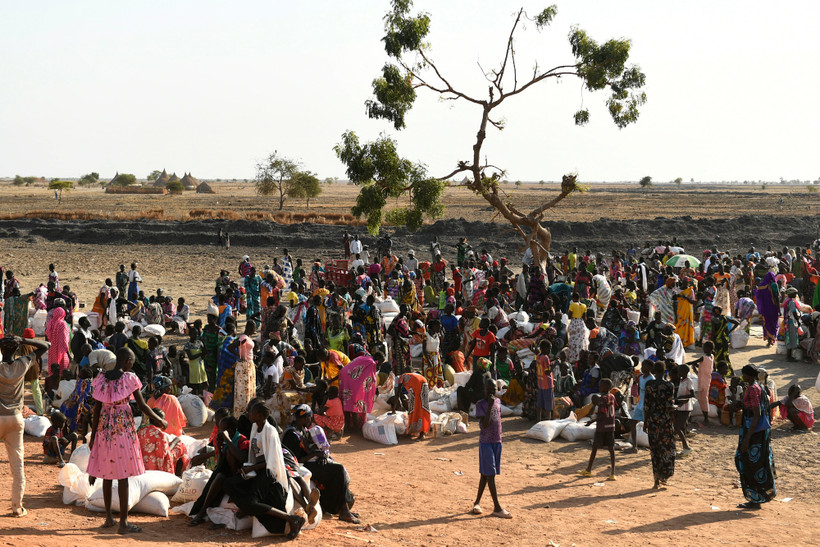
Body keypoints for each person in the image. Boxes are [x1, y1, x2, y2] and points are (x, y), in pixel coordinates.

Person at [88, 347, 167, 534]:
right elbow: (141, 405)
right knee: (123, 477)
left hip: (104, 429)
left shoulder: (101, 378)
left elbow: (97, 409)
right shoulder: (129, 378)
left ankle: (109, 518)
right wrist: (159, 420)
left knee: (107, 475)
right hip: (122, 429)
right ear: (127, 361)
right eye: (131, 361)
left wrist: (93, 435)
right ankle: (123, 523)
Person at [223, 403, 305, 538]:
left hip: (268, 472)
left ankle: (291, 519)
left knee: (251, 501)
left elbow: (272, 461)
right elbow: (254, 454)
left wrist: (252, 468)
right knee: (229, 483)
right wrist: (247, 468)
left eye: (252, 413)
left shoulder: (270, 431)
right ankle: (247, 507)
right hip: (257, 469)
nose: (249, 415)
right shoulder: (255, 427)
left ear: (260, 416)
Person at [282, 404, 359, 523]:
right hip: (299, 467)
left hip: (308, 463)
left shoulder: (301, 429)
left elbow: (310, 448)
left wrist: (321, 455)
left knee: (334, 466)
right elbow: (294, 459)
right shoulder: (291, 434)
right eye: (309, 418)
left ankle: (339, 507)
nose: (310, 421)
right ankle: (344, 510)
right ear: (306, 417)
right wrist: (315, 455)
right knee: (338, 470)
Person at [0, 334, 50, 517]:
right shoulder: (22, 364)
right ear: (16, 349)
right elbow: (46, 345)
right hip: (15, 419)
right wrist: (23, 341)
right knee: (18, 464)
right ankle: (17, 506)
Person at [734, 364, 776, 509]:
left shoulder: (752, 389)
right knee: (756, 463)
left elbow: (756, 413)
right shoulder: (759, 386)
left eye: (743, 375)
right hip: (757, 432)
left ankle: (755, 499)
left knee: (749, 462)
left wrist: (747, 438)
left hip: (753, 432)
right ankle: (757, 497)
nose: (742, 377)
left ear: (749, 376)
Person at [470, 378, 511, 519]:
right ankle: (497, 507)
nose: (492, 393)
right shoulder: (481, 405)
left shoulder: (498, 402)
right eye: (489, 390)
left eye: (494, 390)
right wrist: (489, 407)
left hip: (496, 441)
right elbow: (485, 425)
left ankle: (476, 503)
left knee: (485, 474)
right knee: (490, 474)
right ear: (484, 391)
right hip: (486, 442)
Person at [644, 361, 676, 489]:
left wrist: (646, 422)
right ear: (665, 371)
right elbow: (669, 405)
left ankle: (656, 480)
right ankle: (664, 475)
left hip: (652, 420)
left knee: (655, 450)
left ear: (654, 371)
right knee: (667, 449)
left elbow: (646, 405)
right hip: (665, 421)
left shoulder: (649, 384)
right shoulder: (669, 385)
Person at [580, 378, 617, 481]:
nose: (599, 387)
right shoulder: (612, 396)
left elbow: (603, 415)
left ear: (605, 387)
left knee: (595, 448)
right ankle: (613, 473)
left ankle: (588, 470)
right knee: (611, 449)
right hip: (611, 426)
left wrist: (591, 421)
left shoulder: (602, 399)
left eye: (600, 386)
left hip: (602, 426)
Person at [137, 408, 189, 475]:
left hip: (142, 464)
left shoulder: (141, 431)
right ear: (158, 420)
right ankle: (178, 475)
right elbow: (164, 454)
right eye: (163, 419)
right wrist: (175, 441)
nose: (164, 421)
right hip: (156, 466)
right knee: (181, 446)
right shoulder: (159, 434)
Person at [395, 372, 431, 439]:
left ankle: (418, 432)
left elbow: (397, 394)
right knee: (423, 406)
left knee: (413, 407)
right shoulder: (408, 375)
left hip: (416, 384)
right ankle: (420, 432)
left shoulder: (399, 378)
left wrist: (393, 409)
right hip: (424, 382)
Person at [690, 341, 714, 426]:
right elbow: (705, 367)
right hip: (707, 380)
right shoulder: (711, 357)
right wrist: (696, 367)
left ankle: (706, 418)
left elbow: (693, 362)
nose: (703, 349)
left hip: (703, 381)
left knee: (703, 399)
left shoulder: (703, 357)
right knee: (702, 398)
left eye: (704, 347)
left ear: (709, 349)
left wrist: (686, 364)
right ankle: (705, 417)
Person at [754, 272, 780, 346]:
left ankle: (769, 339)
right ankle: (772, 338)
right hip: (773, 308)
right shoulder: (774, 285)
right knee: (773, 323)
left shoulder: (761, 286)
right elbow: (777, 298)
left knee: (767, 323)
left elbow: (758, 296)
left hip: (765, 309)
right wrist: (778, 309)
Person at [45, 306, 70, 373]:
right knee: (62, 367)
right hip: (61, 350)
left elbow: (47, 336)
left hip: (52, 350)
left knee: (53, 366)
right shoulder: (62, 324)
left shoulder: (50, 323)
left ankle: (53, 380)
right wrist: (69, 354)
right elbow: (64, 340)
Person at [535, 340, 554, 421]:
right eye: (549, 349)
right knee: (548, 406)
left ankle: (538, 420)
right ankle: (547, 422)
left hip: (540, 383)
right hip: (547, 383)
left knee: (540, 404)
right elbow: (547, 371)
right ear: (544, 349)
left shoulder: (538, 356)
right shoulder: (545, 357)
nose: (550, 351)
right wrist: (555, 365)